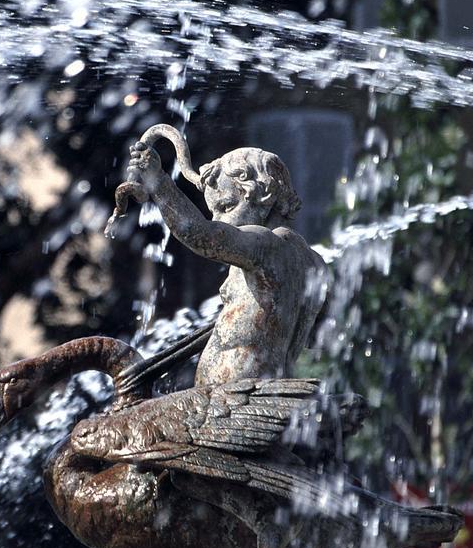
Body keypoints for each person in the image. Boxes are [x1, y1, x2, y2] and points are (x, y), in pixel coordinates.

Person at [125, 141, 327, 385]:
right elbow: (318, 338)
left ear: (265, 194)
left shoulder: (268, 244)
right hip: (254, 391)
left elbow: (201, 236)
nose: (219, 220)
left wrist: (158, 181)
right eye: (213, 213)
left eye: (226, 206)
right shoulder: (313, 262)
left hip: (234, 398)